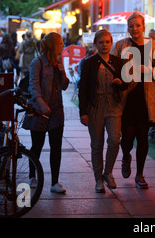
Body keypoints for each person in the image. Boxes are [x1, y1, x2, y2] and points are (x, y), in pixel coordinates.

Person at [113, 11, 155, 189]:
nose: (134, 29)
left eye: (137, 25)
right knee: (126, 138)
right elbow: (112, 68)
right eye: (131, 26)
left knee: (143, 137)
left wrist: (145, 69)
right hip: (126, 98)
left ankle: (140, 174)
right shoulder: (120, 45)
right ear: (128, 28)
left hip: (146, 97)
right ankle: (126, 156)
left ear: (143, 27)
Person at [78, 29, 127, 193]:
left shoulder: (118, 62)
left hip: (113, 104)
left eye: (107, 42)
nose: (104, 45)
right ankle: (98, 179)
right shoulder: (88, 62)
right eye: (101, 42)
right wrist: (82, 111)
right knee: (96, 144)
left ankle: (108, 173)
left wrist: (121, 82)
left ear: (111, 43)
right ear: (95, 44)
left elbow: (126, 83)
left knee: (114, 140)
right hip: (95, 106)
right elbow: (82, 89)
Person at [23, 32, 70, 194]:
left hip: (57, 110)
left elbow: (64, 86)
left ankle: (55, 182)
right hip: (39, 110)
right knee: (37, 144)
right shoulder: (38, 62)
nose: (63, 46)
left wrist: (62, 72)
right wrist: (41, 103)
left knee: (56, 146)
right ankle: (32, 175)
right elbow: (33, 85)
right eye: (60, 43)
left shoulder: (58, 62)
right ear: (53, 45)